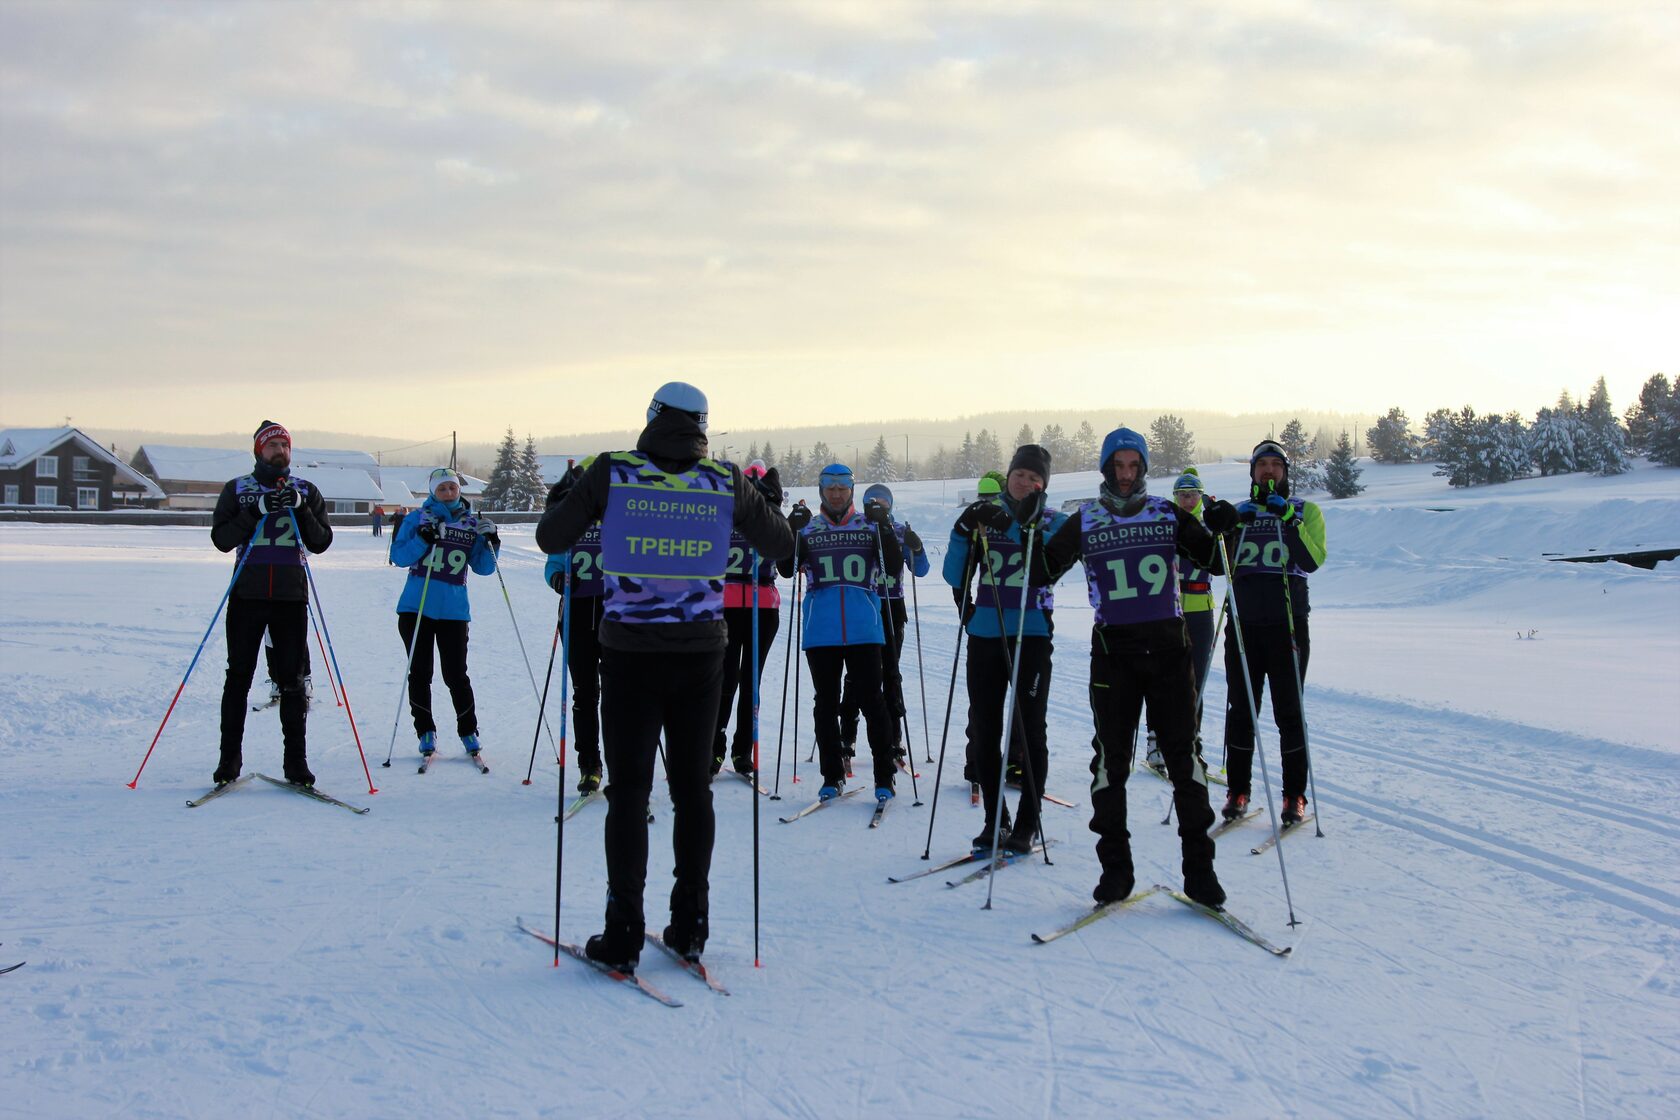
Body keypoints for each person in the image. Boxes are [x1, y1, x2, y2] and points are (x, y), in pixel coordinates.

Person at [536, 382, 793, 972]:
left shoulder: (614, 471)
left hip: (628, 651)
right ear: (703, 423)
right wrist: (761, 503)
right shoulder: (724, 479)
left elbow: (552, 536)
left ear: (652, 418)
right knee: (691, 792)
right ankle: (690, 924)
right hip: (702, 653)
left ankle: (622, 931)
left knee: (628, 793)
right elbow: (781, 545)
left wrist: (576, 495)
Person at [1028, 427, 1238, 907]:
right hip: (1114, 654)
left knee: (1186, 762)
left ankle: (1200, 873)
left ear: (1143, 468)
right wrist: (1029, 524)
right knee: (1110, 764)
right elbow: (1042, 571)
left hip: (1169, 650)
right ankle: (1116, 873)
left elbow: (1215, 559)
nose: (1125, 476)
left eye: (1133, 466)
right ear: (1105, 468)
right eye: (1117, 466)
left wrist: (1226, 526)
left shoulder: (1166, 513)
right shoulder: (1086, 519)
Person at [944, 445, 1068, 853]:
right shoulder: (985, 516)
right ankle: (994, 818)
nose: (1026, 483)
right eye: (1020, 475)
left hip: (1031, 633)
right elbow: (952, 571)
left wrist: (1018, 526)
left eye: (1035, 479)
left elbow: (1060, 554)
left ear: (1043, 485)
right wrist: (963, 530)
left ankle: (1028, 823)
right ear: (1009, 475)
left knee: (1032, 728)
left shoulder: (1052, 520)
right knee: (984, 728)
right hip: (985, 631)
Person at [209, 420, 334, 787]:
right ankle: (228, 761)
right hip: (246, 595)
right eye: (272, 445)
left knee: (293, 681)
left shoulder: (306, 490)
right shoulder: (238, 489)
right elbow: (221, 538)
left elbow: (321, 541)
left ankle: (296, 762)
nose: (280, 451)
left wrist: (301, 509)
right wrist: (257, 510)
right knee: (238, 678)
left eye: (285, 445)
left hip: (290, 597)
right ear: (258, 451)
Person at [1211, 440, 1327, 826]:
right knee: (1241, 710)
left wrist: (1289, 520)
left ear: (1285, 472)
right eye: (1262, 464)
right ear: (1252, 472)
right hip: (1244, 627)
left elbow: (1312, 560)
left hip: (1288, 626)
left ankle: (1294, 796)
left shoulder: (1305, 510)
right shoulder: (1240, 513)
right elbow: (1215, 565)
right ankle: (1238, 791)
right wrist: (1219, 524)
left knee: (1289, 713)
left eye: (1277, 465)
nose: (1269, 471)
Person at [781, 464, 903, 804]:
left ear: (851, 490)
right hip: (821, 631)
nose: (837, 493)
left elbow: (892, 567)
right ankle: (832, 776)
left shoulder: (868, 525)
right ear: (822, 490)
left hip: (865, 630)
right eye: (830, 487)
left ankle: (884, 776)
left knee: (872, 703)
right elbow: (786, 570)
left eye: (843, 487)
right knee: (826, 705)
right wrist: (790, 531)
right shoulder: (810, 528)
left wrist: (884, 525)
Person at [390, 468, 499, 762]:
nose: (448, 493)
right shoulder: (417, 518)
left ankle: (468, 731)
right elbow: (398, 557)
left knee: (456, 674)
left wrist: (492, 542)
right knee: (420, 673)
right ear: (432, 492)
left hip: (453, 610)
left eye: (452, 488)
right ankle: (425, 731)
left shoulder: (470, 523)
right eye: (442, 489)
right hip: (416, 607)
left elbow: (484, 567)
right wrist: (422, 540)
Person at [838, 483, 929, 764]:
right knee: (855, 676)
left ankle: (894, 739)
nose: (877, 506)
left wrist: (918, 547)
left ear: (890, 504)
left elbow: (922, 570)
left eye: (882, 502)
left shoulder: (899, 530)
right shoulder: (858, 528)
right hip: (863, 606)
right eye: (871, 501)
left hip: (891, 607)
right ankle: (847, 738)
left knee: (890, 673)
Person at [713, 460, 785, 777]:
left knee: (750, 682)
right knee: (725, 680)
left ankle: (743, 751)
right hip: (727, 606)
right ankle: (713, 751)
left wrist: (776, 510)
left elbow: (786, 555)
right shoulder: (725, 512)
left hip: (763, 607)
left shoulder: (769, 518)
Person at [1145, 468, 1217, 771]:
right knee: (1162, 676)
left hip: (1200, 610)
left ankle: (1190, 742)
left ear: (1200, 496)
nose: (1188, 500)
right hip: (1168, 609)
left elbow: (1222, 557)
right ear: (1175, 497)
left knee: (1195, 679)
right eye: (1182, 495)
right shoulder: (1167, 522)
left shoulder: (1209, 524)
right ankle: (1155, 742)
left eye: (1192, 494)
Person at [544, 457, 607, 792]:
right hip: (578, 614)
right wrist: (557, 578)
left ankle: (625, 766)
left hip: (616, 616)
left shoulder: (623, 516)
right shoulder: (572, 518)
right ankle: (589, 765)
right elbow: (553, 559)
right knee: (585, 693)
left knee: (620, 695)